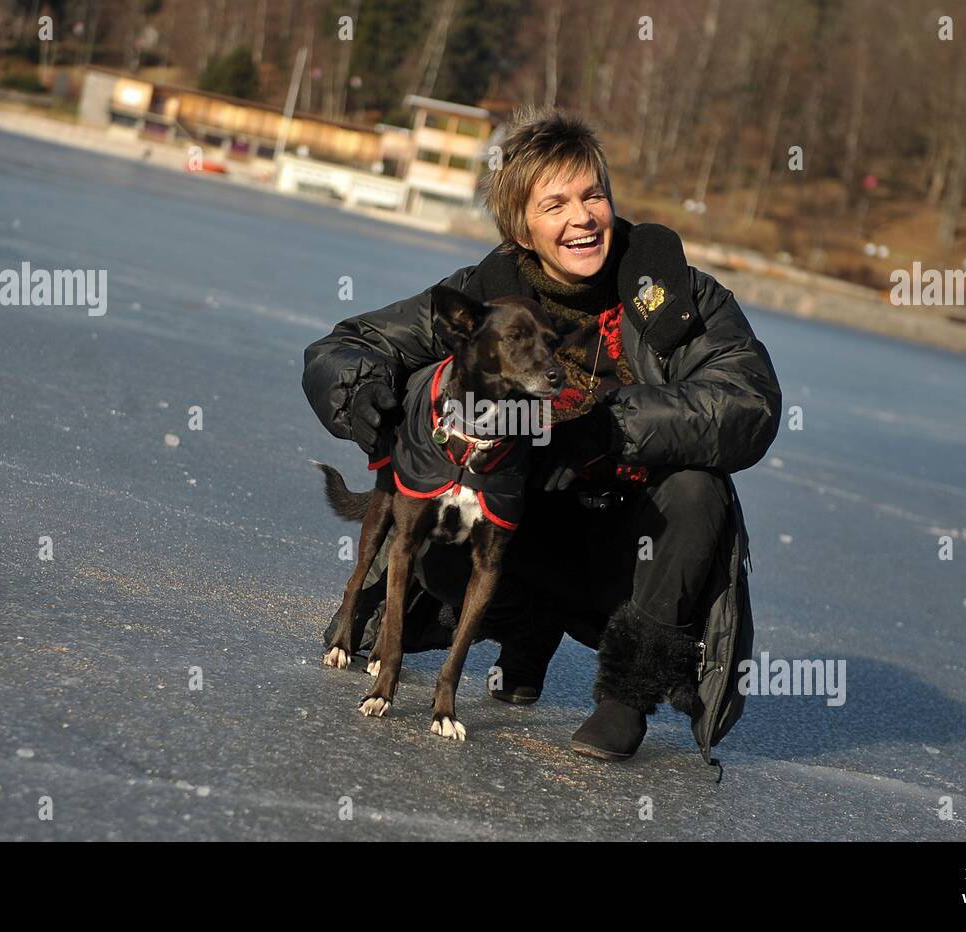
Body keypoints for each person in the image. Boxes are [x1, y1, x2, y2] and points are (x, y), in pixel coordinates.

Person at [302, 107, 781, 763]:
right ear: (521, 227)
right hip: (518, 528)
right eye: (555, 204)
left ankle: (625, 696)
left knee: (700, 491)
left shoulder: (677, 296)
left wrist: (608, 428)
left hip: (633, 547)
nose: (582, 217)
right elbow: (350, 345)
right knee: (448, 538)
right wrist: (365, 397)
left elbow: (748, 401)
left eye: (593, 195)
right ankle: (525, 632)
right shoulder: (482, 300)